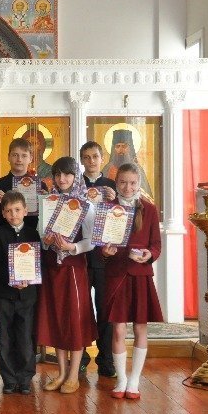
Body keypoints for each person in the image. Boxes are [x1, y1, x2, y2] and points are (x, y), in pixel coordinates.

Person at [36, 156, 97, 394]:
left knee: (74, 319)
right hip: (52, 267)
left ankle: (73, 375)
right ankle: (61, 373)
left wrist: (72, 247)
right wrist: (46, 240)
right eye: (58, 174)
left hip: (73, 268)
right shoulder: (48, 201)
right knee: (57, 319)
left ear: (76, 176)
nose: (62, 179)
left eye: (67, 174)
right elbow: (41, 236)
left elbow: (92, 240)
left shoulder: (85, 204)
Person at [102, 163, 163, 400]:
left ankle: (135, 380)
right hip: (117, 274)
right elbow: (100, 245)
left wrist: (149, 255)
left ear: (139, 184)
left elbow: (156, 245)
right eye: (123, 182)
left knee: (140, 328)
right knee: (118, 329)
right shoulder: (108, 208)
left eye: (132, 183)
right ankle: (121, 379)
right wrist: (104, 252)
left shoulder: (150, 209)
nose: (128, 187)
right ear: (116, 183)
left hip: (140, 275)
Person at [0, 191, 41, 394]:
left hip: (27, 295)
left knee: (25, 336)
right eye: (9, 211)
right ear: (3, 213)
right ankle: (9, 379)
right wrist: (12, 280)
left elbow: (38, 263)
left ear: (25, 211)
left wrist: (27, 279)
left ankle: (25, 378)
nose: (13, 215)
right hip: (4, 294)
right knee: (5, 337)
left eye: (17, 210)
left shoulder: (33, 234)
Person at [79, 141, 118, 378]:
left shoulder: (112, 186)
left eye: (95, 156)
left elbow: (121, 217)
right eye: (86, 157)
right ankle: (81, 357)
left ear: (102, 158)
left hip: (105, 258)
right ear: (81, 160)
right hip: (82, 256)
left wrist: (114, 201)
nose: (91, 161)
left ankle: (106, 359)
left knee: (106, 310)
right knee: (81, 309)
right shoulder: (76, 185)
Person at [0, 137, 46, 231]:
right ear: (8, 157)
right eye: (15, 155)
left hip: (32, 236)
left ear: (31, 158)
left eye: (24, 156)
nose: (19, 159)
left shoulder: (40, 186)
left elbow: (45, 219)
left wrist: (46, 201)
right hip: (3, 236)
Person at [101, 128, 153, 197]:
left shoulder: (137, 169)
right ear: (114, 149)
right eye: (117, 146)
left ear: (130, 148)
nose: (121, 150)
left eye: (124, 146)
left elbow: (145, 196)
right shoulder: (107, 168)